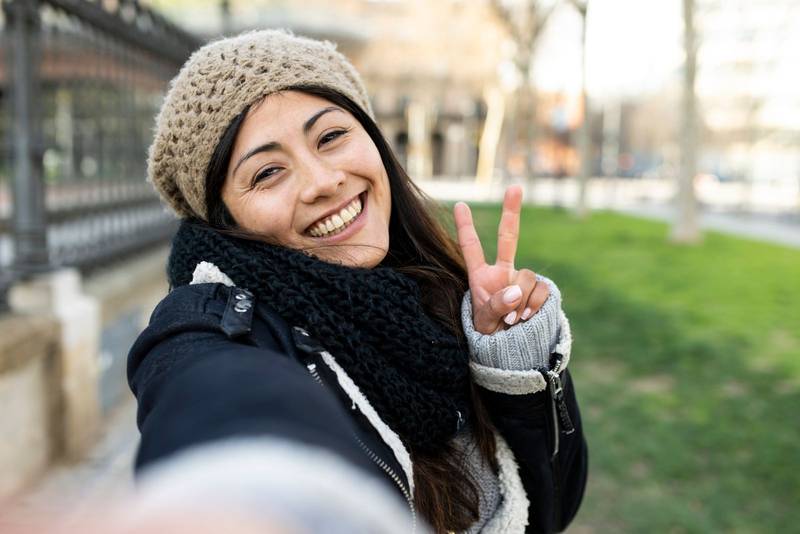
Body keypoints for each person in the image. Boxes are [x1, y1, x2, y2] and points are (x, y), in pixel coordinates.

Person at [128, 29, 588, 534]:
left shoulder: (435, 294)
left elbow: (549, 511)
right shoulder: (209, 332)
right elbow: (211, 403)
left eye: (330, 137)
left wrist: (508, 361)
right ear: (225, 220)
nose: (324, 182)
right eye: (267, 173)